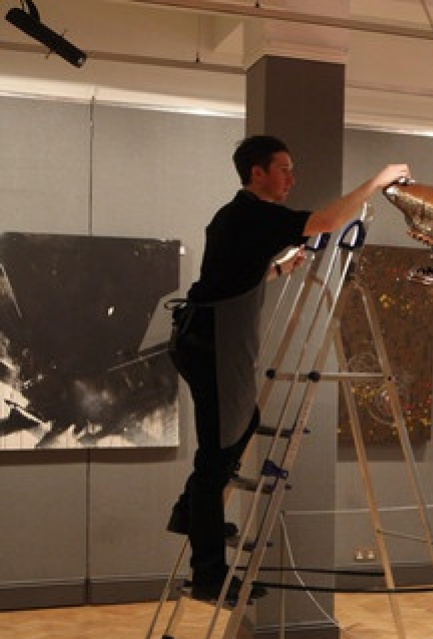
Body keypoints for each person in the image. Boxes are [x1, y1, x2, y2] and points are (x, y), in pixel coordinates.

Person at [166, 134, 411, 605]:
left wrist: (277, 271)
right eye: (284, 169)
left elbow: (233, 274)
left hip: (204, 340)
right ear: (256, 172)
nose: (291, 179)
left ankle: (187, 514)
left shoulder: (235, 218)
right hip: (214, 345)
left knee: (241, 426)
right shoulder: (252, 214)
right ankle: (209, 573)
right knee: (216, 457)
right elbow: (326, 223)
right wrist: (376, 182)